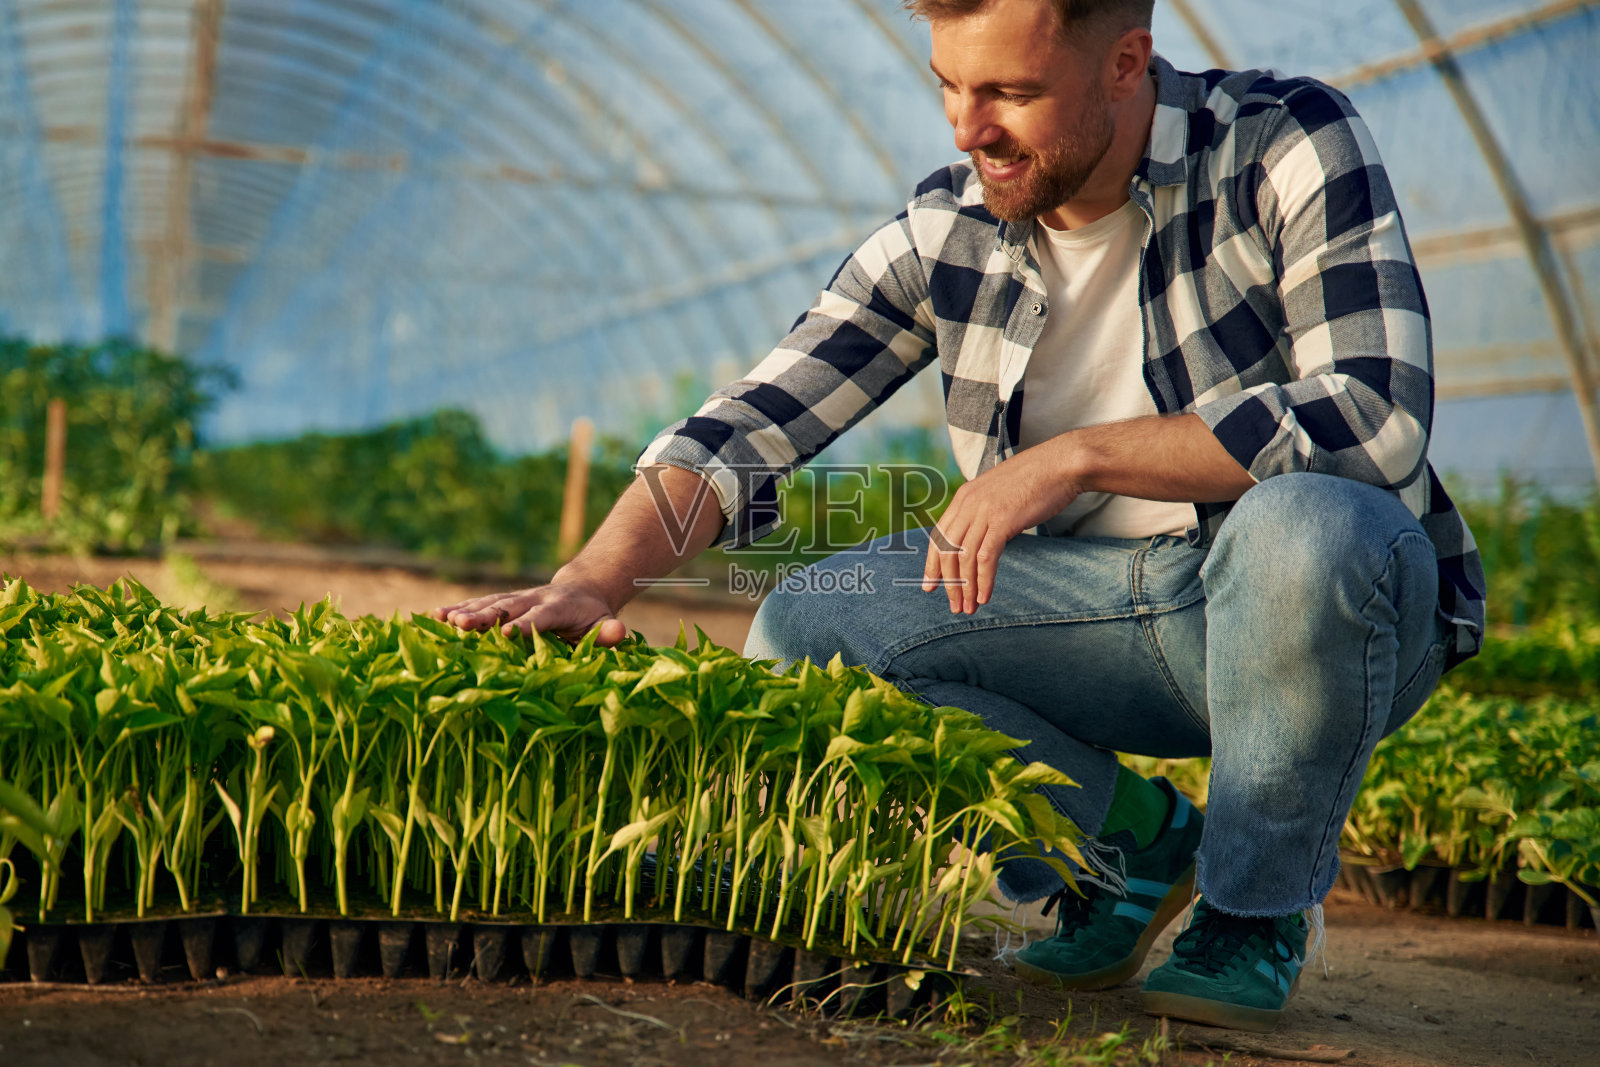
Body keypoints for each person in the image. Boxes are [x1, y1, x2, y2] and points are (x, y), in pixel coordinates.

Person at [435, 0, 1485, 1034]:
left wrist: (1077, 457)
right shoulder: (948, 228)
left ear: (1125, 63)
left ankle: (1249, 910)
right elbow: (758, 416)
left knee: (1304, 522)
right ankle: (1124, 851)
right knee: (814, 623)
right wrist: (593, 579)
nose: (966, 126)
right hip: (1104, 617)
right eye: (949, 84)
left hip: (1319, 614)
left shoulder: (1281, 144)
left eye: (1009, 92)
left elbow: (1371, 417)